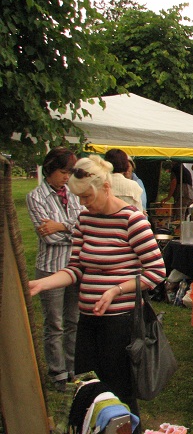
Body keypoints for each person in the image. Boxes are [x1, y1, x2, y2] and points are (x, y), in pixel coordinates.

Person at [29, 155, 166, 419]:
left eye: (87, 197)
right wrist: (42, 283)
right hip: (88, 320)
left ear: (105, 187)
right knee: (88, 387)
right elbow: (76, 268)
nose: (83, 204)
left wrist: (116, 290)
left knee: (119, 391)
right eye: (79, 198)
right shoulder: (85, 220)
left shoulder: (132, 221)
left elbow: (156, 272)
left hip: (121, 323)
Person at [26, 147, 83, 391]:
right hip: (51, 268)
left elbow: (84, 224)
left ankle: (73, 368)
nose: (66, 177)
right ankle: (57, 372)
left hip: (74, 266)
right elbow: (48, 237)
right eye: (63, 172)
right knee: (54, 323)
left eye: (69, 173)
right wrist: (72, 230)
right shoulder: (35, 197)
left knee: (74, 320)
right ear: (50, 169)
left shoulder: (73, 193)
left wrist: (60, 225)